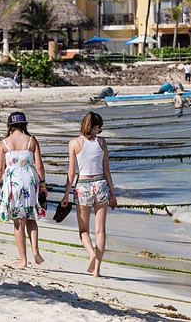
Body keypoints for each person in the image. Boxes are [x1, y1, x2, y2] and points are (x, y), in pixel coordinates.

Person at [61, 111, 117, 278]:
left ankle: (91, 254)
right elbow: (107, 170)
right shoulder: (102, 143)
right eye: (99, 127)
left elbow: (71, 172)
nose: (100, 130)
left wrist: (66, 194)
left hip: (83, 186)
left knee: (83, 230)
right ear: (95, 126)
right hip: (101, 184)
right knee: (100, 231)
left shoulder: (74, 143)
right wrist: (112, 193)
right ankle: (97, 270)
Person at [0, 112, 47, 268]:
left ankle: (23, 260)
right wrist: (43, 185)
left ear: (10, 126)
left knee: (18, 221)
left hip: (13, 182)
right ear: (24, 124)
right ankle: (35, 251)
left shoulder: (4, 143)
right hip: (30, 180)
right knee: (31, 217)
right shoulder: (32, 141)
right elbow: (39, 166)